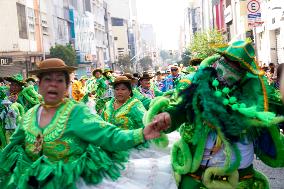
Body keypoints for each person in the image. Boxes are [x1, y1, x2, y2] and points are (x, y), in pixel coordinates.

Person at [0, 58, 171, 189]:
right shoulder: (30, 114)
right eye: (47, 79)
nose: (53, 84)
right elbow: (12, 146)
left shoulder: (76, 113)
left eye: (59, 80)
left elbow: (109, 135)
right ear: (39, 85)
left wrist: (142, 133)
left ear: (67, 85)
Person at [145, 40, 284, 189]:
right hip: (198, 176)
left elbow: (277, 111)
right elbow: (181, 109)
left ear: (245, 72)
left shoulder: (256, 94)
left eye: (238, 66)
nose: (231, 67)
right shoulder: (198, 85)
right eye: (228, 60)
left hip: (241, 179)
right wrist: (168, 117)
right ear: (220, 60)